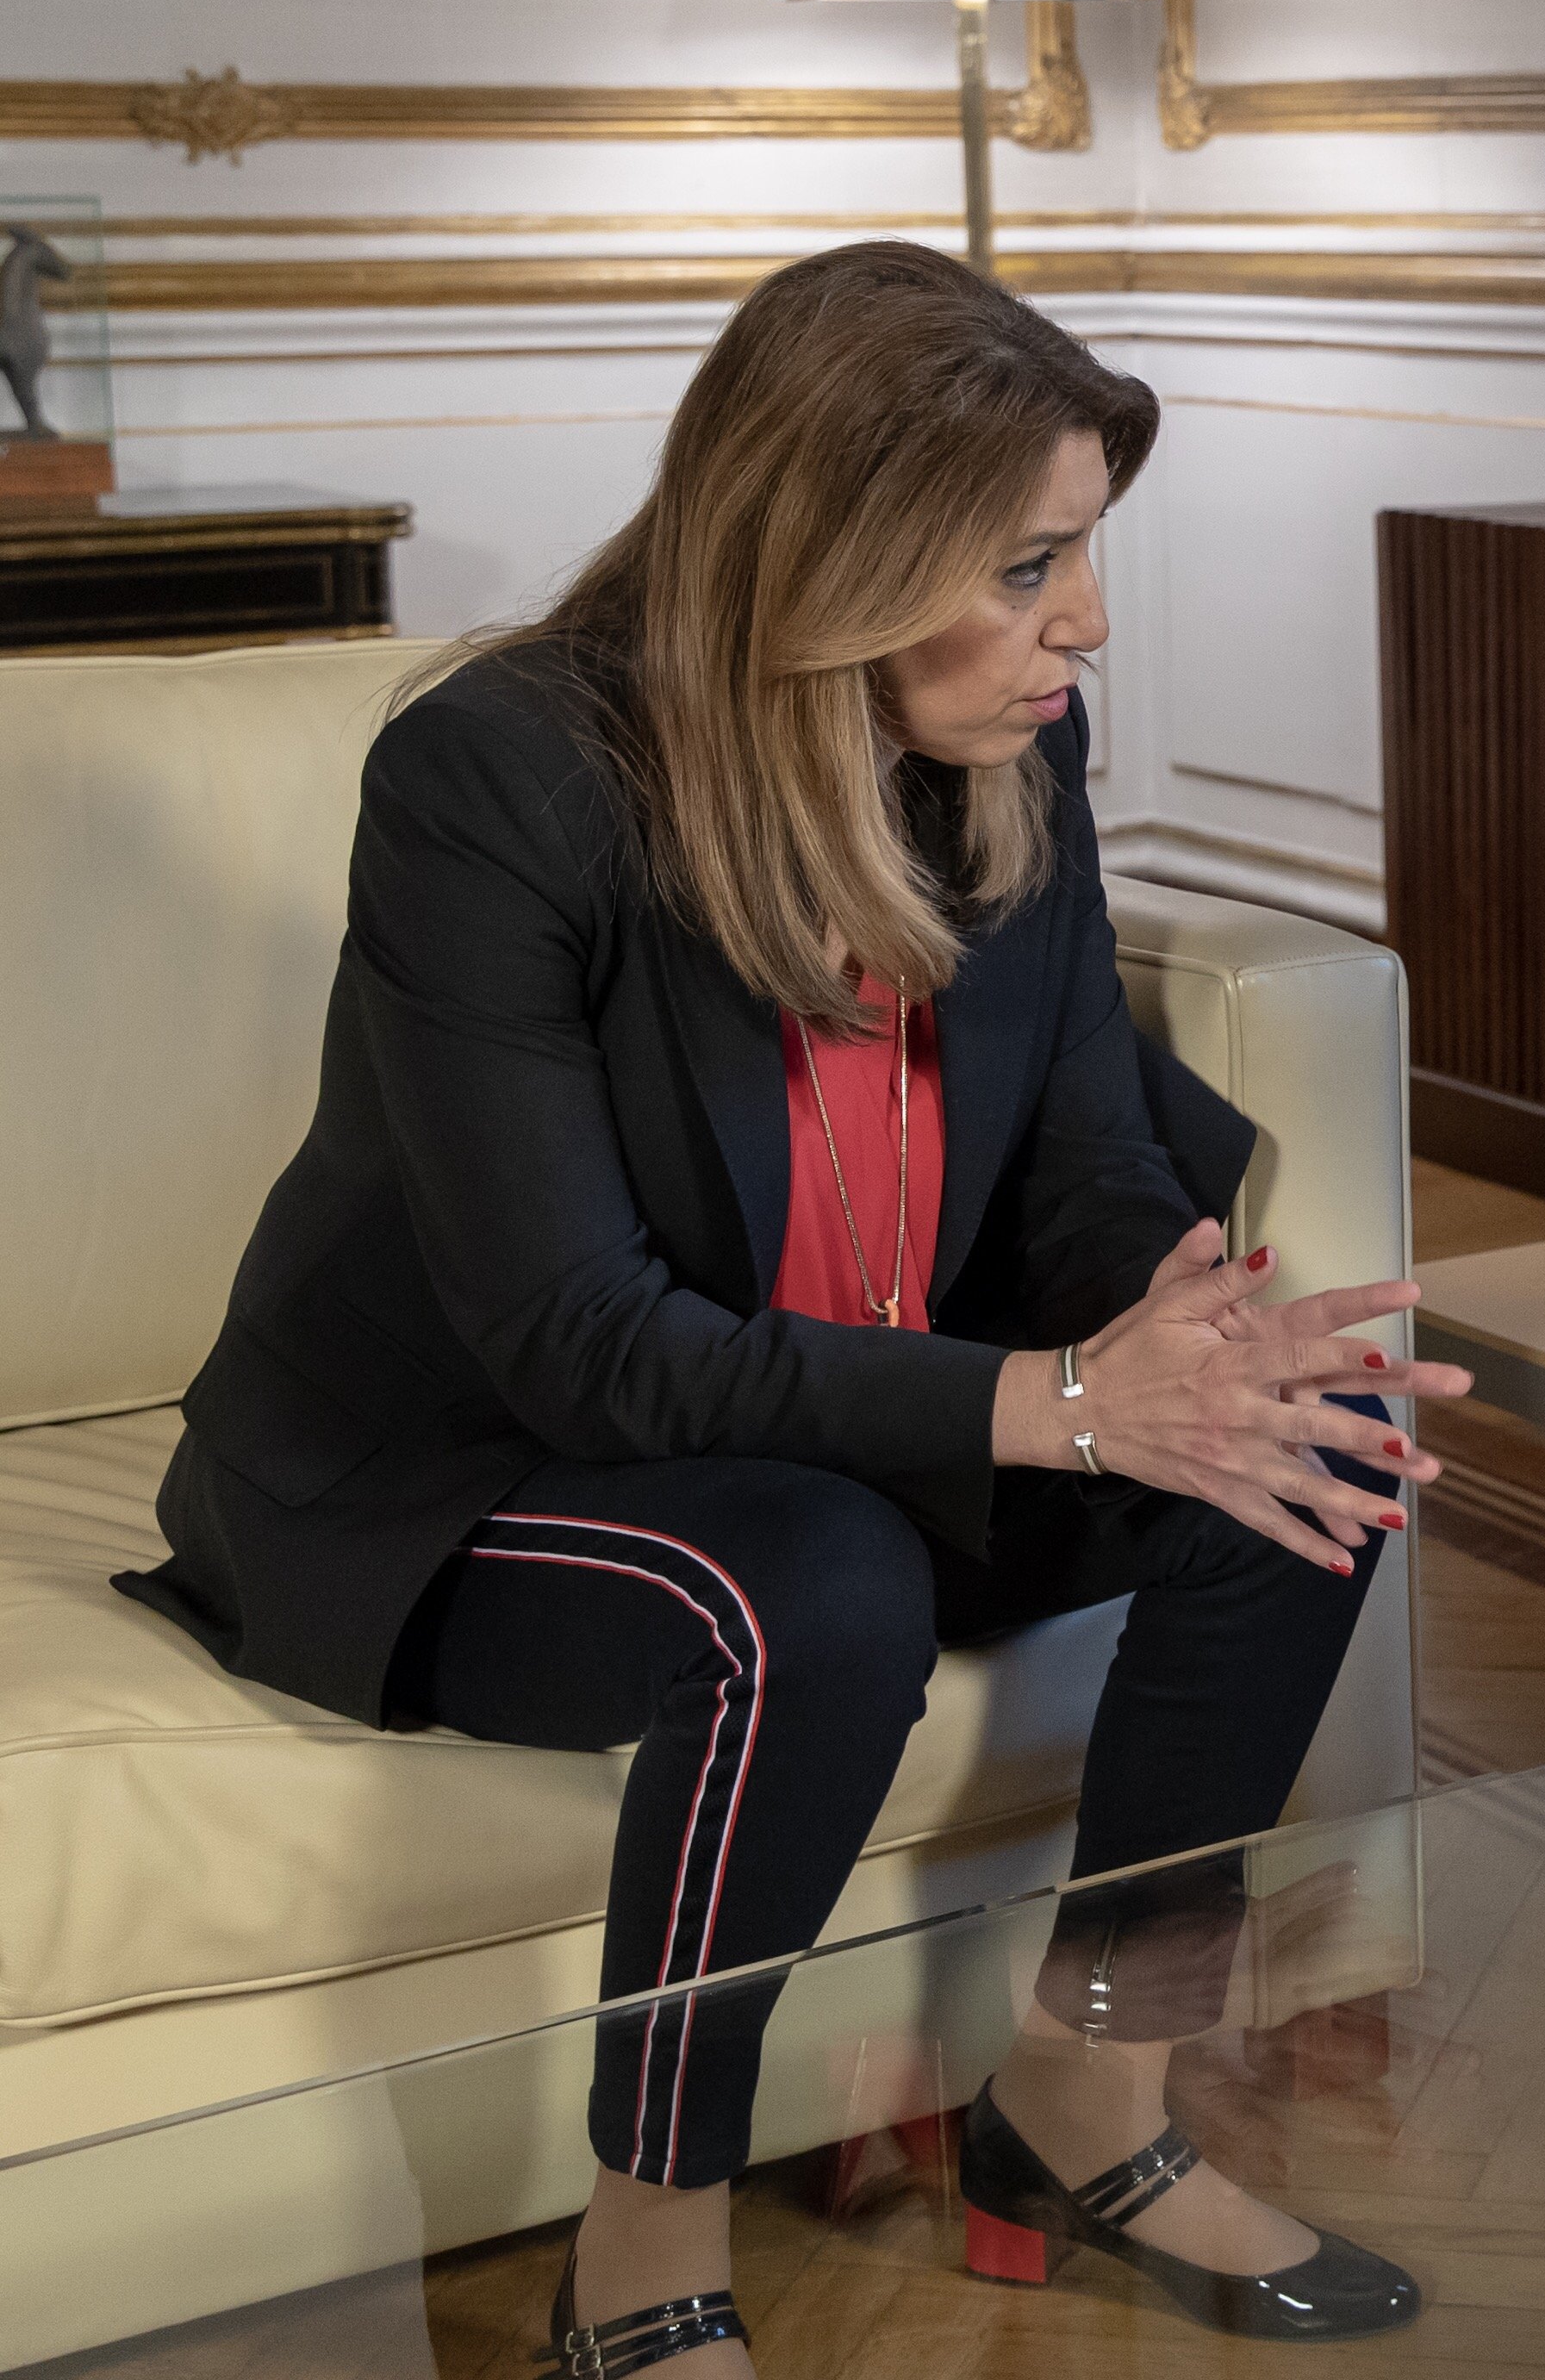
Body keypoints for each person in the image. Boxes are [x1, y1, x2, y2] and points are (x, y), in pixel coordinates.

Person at [119, 242, 1462, 2377]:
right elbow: (576, 1335)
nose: (1084, 626)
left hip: (847, 1397)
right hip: (480, 1462)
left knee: (1320, 1440)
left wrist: (1178, 1340)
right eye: (1026, 568)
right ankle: (642, 2242)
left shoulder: (1015, 743)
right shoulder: (503, 782)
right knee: (813, 1584)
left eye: (1082, 557)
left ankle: (1084, 2087)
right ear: (825, 554)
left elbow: (1089, 1158)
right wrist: (1066, 1407)